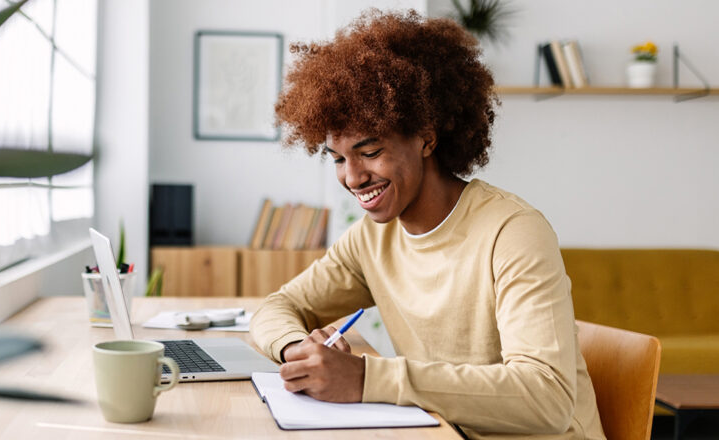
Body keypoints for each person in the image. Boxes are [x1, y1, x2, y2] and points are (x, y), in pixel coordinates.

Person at [249, 9, 606, 439]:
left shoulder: (512, 232)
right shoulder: (371, 239)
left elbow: (546, 398)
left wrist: (367, 380)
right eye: (340, 159)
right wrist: (298, 349)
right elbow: (276, 308)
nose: (353, 177)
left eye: (370, 151)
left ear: (426, 137)